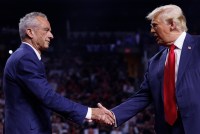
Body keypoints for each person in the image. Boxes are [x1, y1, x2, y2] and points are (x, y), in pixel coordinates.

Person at [3, 12, 114, 134]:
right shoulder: (25, 58)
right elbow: (48, 97)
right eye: (46, 30)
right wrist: (90, 113)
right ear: (30, 33)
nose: (51, 35)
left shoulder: (25, 56)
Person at [107, 4, 200, 134]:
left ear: (172, 24)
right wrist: (113, 115)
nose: (151, 31)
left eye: (154, 25)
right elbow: (143, 96)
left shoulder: (197, 46)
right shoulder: (155, 62)